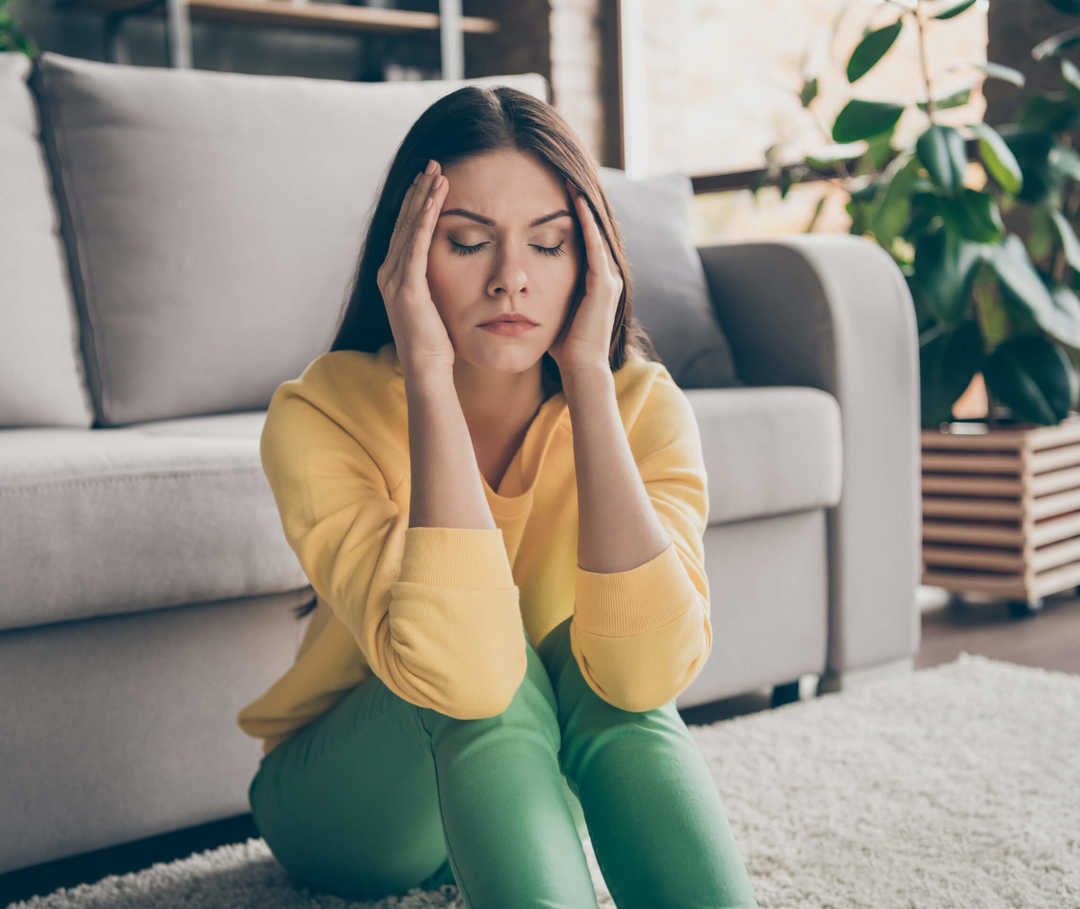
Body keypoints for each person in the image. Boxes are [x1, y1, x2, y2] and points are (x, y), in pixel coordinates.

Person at [236, 84, 759, 909]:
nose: (511, 279)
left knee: (607, 676)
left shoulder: (643, 406)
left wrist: (590, 378)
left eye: (549, 246)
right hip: (347, 799)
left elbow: (650, 670)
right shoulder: (320, 413)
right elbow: (468, 673)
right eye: (470, 242)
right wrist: (430, 374)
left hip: (512, 799)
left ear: (592, 262)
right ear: (406, 256)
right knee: (494, 669)